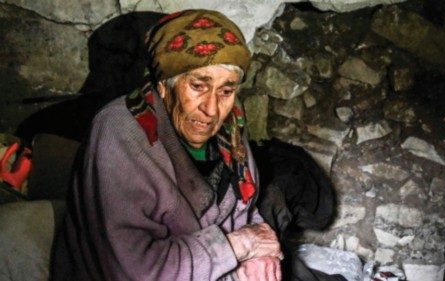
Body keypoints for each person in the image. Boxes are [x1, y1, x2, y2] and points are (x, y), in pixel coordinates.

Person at [52, 9, 282, 281]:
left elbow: (245, 206)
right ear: (163, 86)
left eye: (226, 91)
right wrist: (240, 246)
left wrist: (261, 253)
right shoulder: (119, 129)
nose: (212, 109)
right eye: (198, 85)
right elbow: (135, 268)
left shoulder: (229, 126)